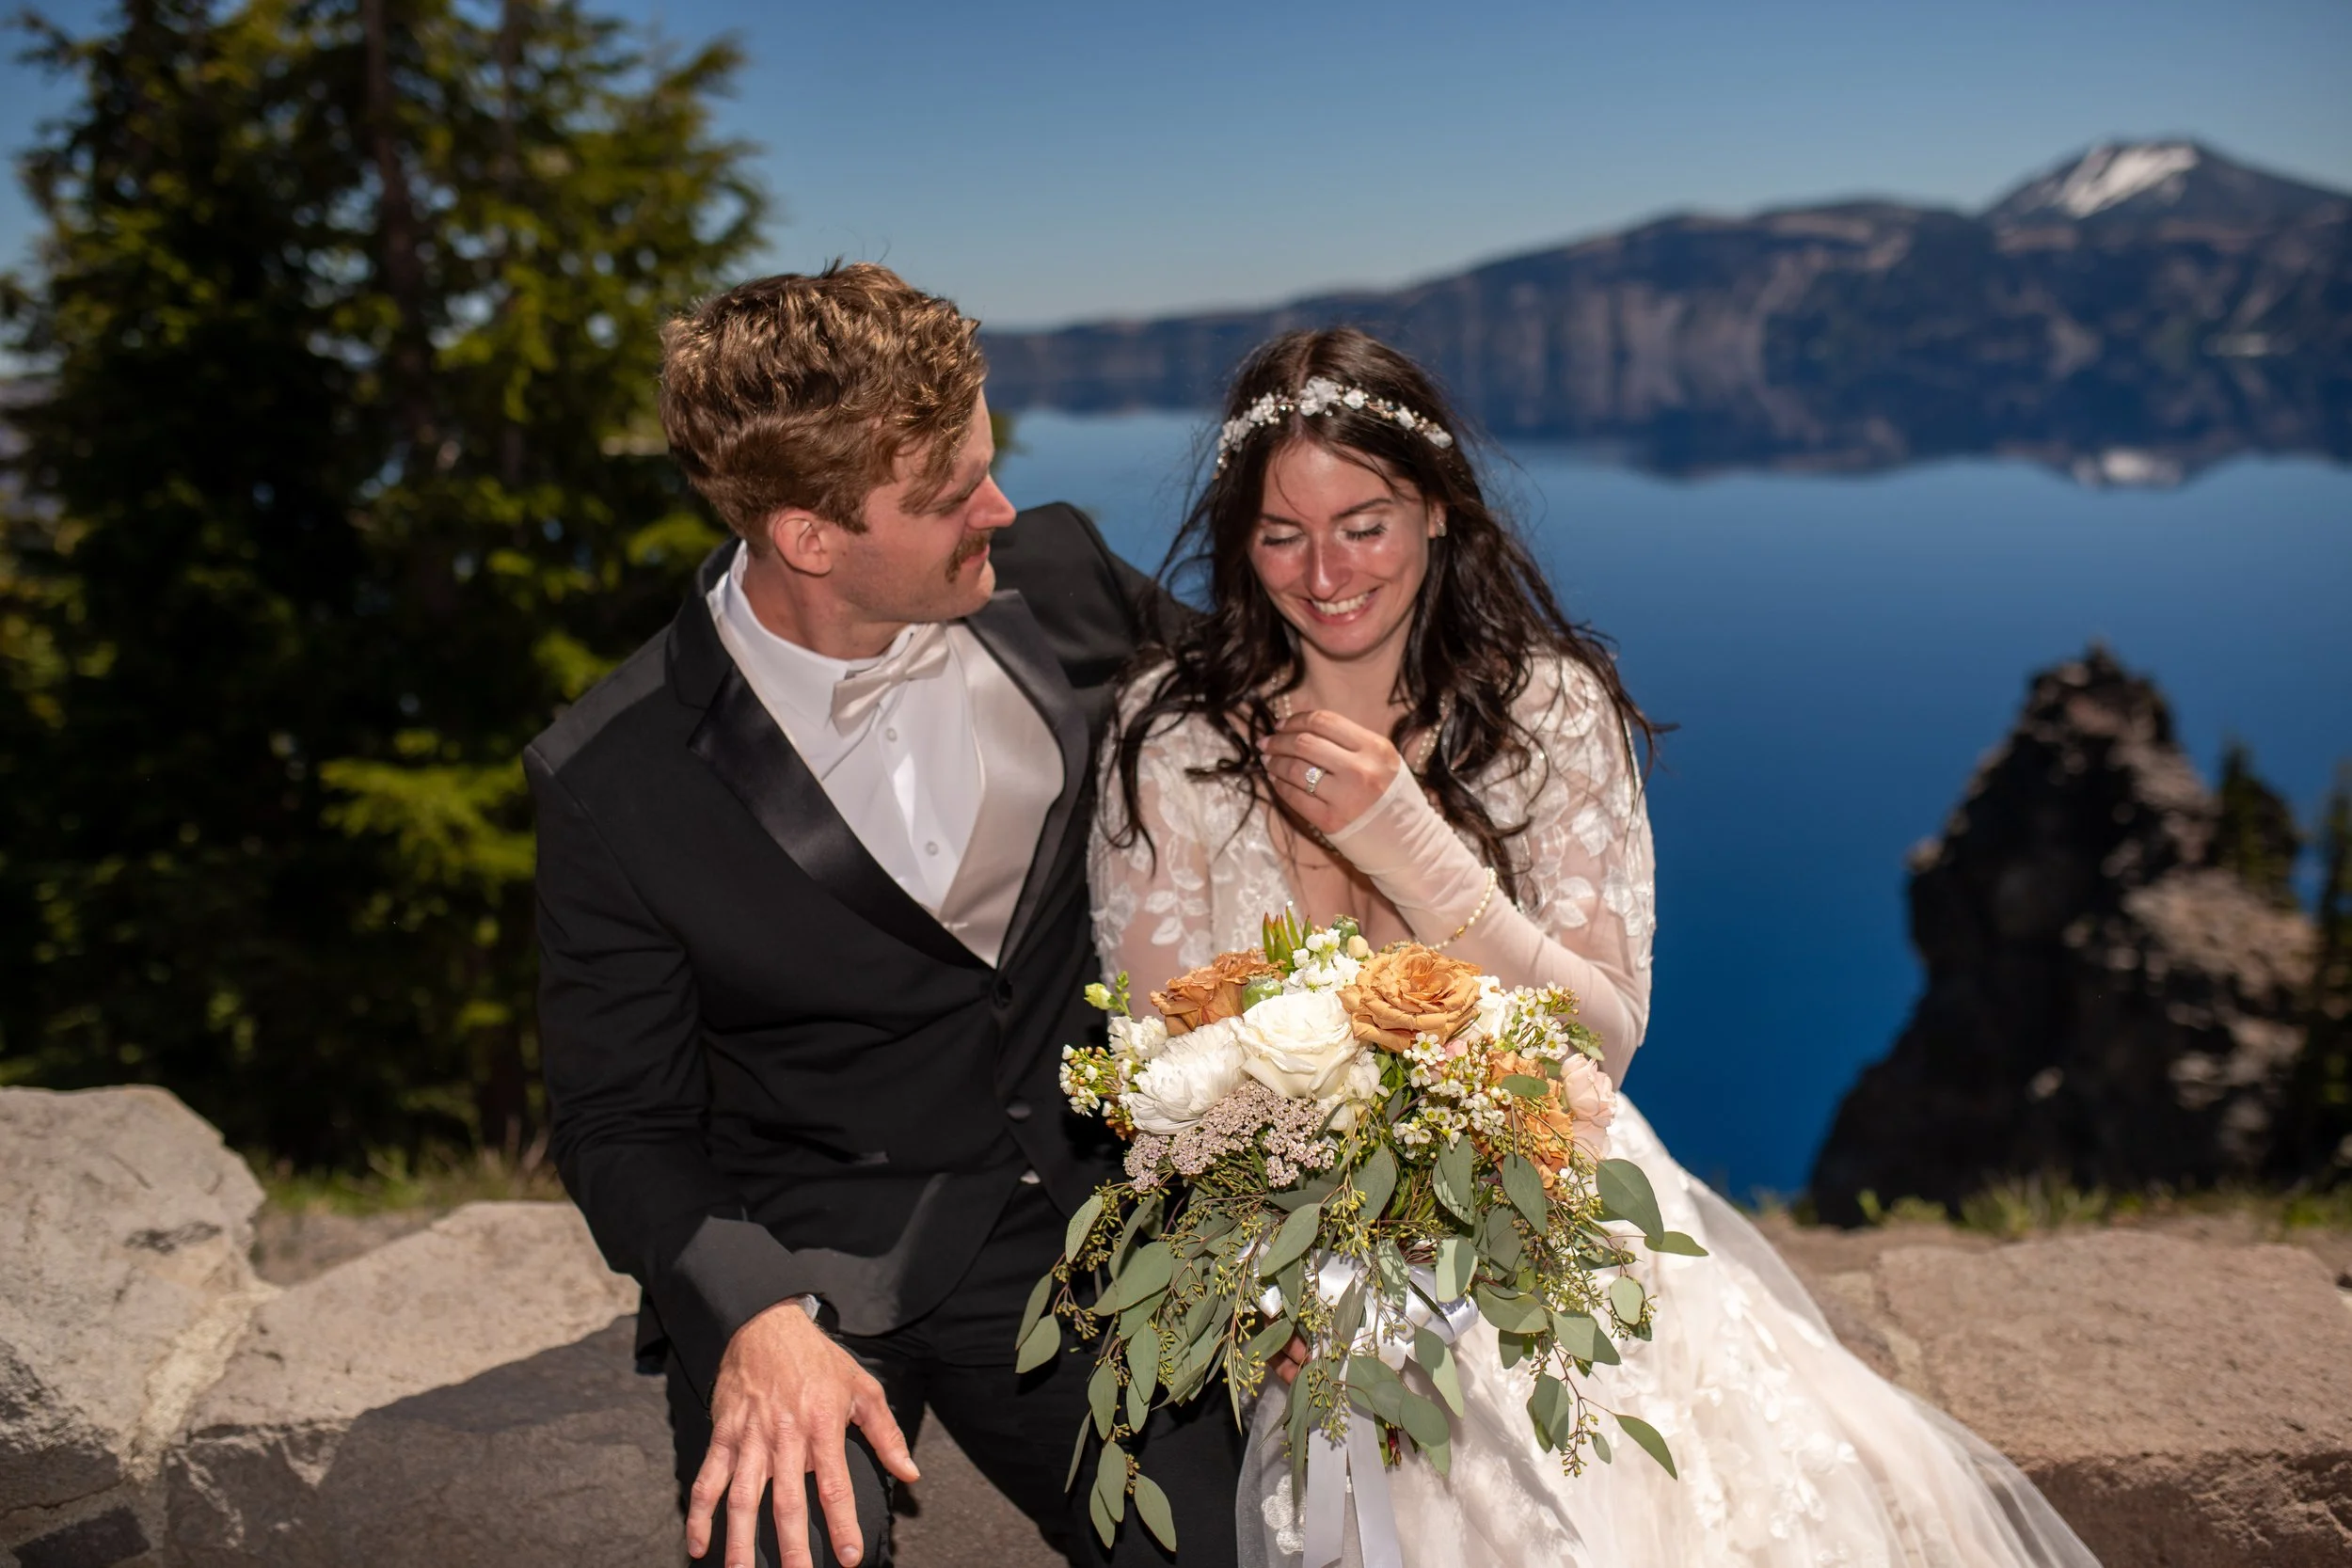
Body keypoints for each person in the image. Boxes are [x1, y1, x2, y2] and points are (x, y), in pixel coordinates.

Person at [1089, 326, 2104, 1566]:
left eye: (1367, 521)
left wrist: (1405, 839)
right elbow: (1159, 1069)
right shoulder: (1170, 737)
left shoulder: (1550, 708)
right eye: (1281, 533)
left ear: (1443, 512)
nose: (1327, 570)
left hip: (1563, 1209)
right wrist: (1262, 1286)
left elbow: (1601, 1036)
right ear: (1241, 541)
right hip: (1313, 1269)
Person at [529, 262, 1238, 1568]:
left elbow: (1267, 723)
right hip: (815, 1254)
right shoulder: (611, 777)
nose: (1001, 504)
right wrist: (747, 1316)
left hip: (1093, 1218)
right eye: (952, 490)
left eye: (986, 457)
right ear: (808, 534)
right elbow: (619, 1119)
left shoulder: (1065, 571)